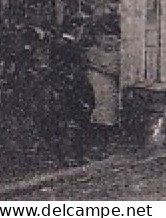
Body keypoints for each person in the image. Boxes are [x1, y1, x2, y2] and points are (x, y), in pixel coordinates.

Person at [49, 16, 95, 166]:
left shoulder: (56, 44)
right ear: (76, 28)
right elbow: (77, 69)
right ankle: (76, 156)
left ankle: (63, 157)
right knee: (77, 122)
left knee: (63, 123)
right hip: (72, 88)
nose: (82, 32)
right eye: (81, 28)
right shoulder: (71, 47)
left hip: (59, 87)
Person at [83, 12, 121, 160]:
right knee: (100, 116)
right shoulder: (95, 52)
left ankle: (100, 147)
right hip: (100, 85)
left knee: (103, 116)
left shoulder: (92, 52)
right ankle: (99, 147)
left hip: (104, 86)